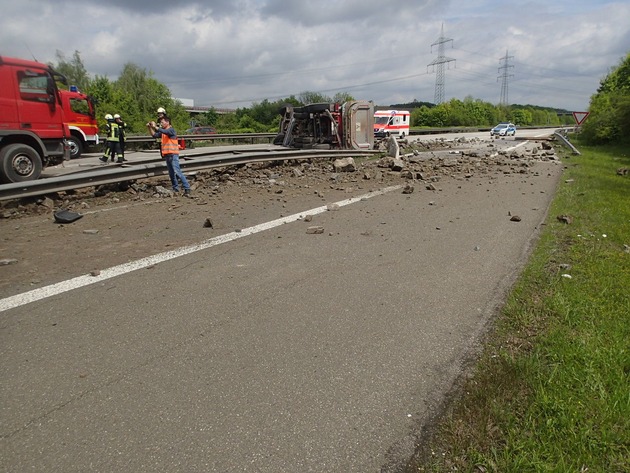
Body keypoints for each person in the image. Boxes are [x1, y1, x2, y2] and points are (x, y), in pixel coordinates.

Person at [147, 116, 191, 197]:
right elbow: (154, 135)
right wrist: (150, 128)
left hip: (173, 154)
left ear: (167, 122)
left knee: (177, 171)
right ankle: (175, 188)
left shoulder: (171, 130)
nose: (161, 124)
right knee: (171, 173)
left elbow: (164, 131)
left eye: (162, 122)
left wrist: (155, 127)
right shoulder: (163, 132)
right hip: (167, 155)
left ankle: (187, 187)